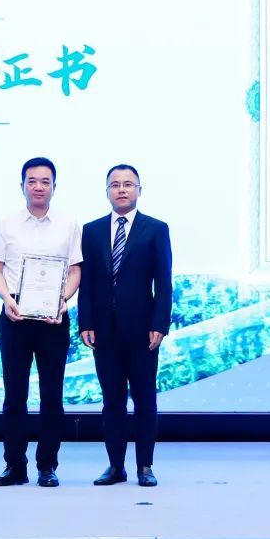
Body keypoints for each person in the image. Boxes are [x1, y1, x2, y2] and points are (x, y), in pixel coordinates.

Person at [0, 156, 82, 487]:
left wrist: (62, 300)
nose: (38, 187)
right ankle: (15, 466)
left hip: (54, 319)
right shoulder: (6, 224)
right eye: (32, 181)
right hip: (15, 316)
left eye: (45, 181)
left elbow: (75, 270)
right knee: (15, 395)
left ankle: (47, 466)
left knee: (52, 395)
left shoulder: (69, 225)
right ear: (22, 185)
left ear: (54, 187)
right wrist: (6, 299)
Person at [78, 164, 172, 487]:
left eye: (128, 184)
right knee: (112, 401)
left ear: (139, 190)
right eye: (115, 184)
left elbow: (164, 281)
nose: (121, 189)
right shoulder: (91, 231)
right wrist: (86, 321)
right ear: (107, 191)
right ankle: (115, 466)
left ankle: (145, 466)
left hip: (143, 331)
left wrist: (160, 323)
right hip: (104, 331)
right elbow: (87, 281)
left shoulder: (156, 229)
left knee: (145, 400)